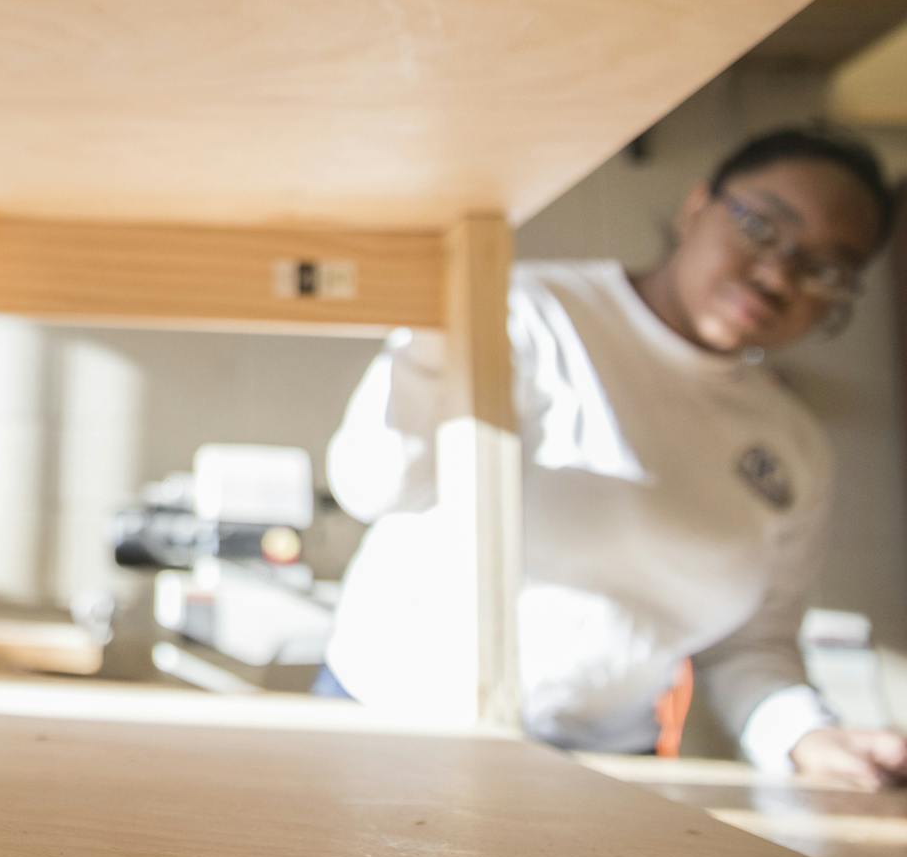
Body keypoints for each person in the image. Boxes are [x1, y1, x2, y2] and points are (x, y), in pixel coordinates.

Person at [321, 126, 907, 789]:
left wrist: (805, 734)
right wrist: (427, 324)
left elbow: (751, 646)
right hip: (395, 735)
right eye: (763, 227)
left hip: (608, 770)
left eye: (825, 266)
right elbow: (372, 486)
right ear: (696, 206)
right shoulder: (523, 311)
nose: (777, 275)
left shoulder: (794, 445)